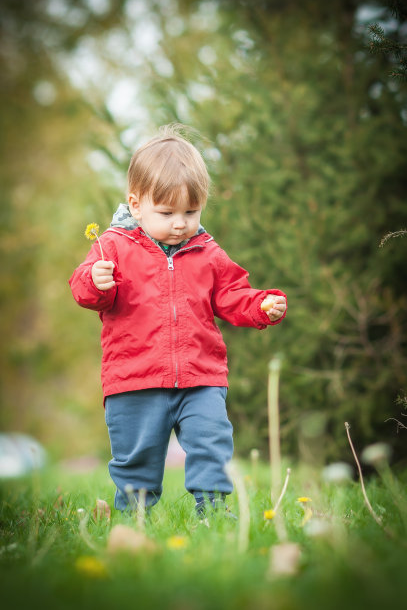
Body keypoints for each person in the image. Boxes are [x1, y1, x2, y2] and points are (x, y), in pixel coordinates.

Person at [69, 125, 287, 517]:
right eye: (167, 213)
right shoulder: (113, 245)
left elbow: (233, 294)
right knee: (136, 459)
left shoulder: (207, 251)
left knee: (212, 442)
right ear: (135, 205)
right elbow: (84, 291)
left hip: (200, 378)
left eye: (191, 212)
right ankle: (135, 517)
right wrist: (96, 280)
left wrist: (261, 305)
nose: (180, 223)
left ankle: (214, 512)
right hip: (135, 378)